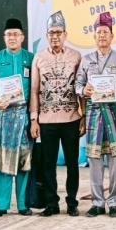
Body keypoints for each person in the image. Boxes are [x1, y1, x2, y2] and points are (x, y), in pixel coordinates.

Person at [75, 12, 116, 218]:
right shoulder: (86, 60)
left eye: (105, 32)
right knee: (95, 159)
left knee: (115, 158)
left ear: (112, 35)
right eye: (98, 32)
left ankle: (115, 202)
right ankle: (97, 202)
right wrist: (84, 91)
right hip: (93, 112)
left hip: (114, 112)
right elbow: (77, 84)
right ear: (94, 36)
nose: (102, 35)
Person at [29, 11, 85, 217]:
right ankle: (52, 203)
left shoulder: (76, 57)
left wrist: (84, 116)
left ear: (65, 34)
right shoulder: (39, 58)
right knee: (48, 164)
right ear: (46, 35)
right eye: (51, 33)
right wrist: (34, 119)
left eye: (58, 32)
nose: (55, 36)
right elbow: (34, 91)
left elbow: (81, 88)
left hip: (71, 119)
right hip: (46, 121)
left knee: (72, 163)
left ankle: (72, 202)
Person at [0, 18, 34, 217]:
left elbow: (36, 88)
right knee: (2, 160)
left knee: (23, 160)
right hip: (3, 115)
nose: (12, 37)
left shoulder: (30, 58)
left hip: (24, 115)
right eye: (8, 34)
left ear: (22, 37)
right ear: (4, 37)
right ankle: (1, 205)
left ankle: (22, 204)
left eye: (15, 34)